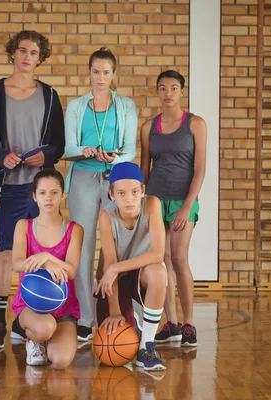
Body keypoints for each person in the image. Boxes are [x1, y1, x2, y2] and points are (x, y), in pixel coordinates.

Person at [0, 30, 65, 349]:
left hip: (41, 190)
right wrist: (1, 155)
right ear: (12, 53)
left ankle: (33, 318)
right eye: (22, 50)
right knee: (5, 253)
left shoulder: (51, 95)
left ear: (40, 59)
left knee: (42, 254)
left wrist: (49, 156)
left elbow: (59, 142)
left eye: (34, 52)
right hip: (10, 187)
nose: (27, 56)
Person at [64, 47, 138, 341]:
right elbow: (68, 147)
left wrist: (114, 159)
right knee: (83, 246)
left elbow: (130, 149)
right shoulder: (76, 106)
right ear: (89, 73)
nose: (101, 77)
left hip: (113, 179)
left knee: (114, 246)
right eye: (96, 71)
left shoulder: (126, 106)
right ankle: (84, 317)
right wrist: (83, 150)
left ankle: (113, 310)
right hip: (82, 176)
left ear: (113, 75)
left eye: (106, 72)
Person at [140, 70, 207, 347]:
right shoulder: (147, 127)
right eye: (163, 88)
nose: (168, 93)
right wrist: (139, 201)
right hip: (155, 199)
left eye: (173, 88)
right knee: (161, 259)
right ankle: (172, 322)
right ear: (158, 92)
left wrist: (186, 207)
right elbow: (145, 167)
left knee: (179, 259)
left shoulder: (196, 124)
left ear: (181, 91)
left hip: (182, 200)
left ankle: (189, 323)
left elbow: (200, 170)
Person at [95, 162, 167, 371]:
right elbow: (109, 265)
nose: (129, 198)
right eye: (121, 193)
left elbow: (157, 253)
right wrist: (115, 311)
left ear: (143, 191)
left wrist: (115, 268)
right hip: (114, 283)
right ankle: (132, 320)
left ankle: (147, 348)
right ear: (111, 194)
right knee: (117, 345)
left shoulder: (153, 204)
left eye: (135, 192)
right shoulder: (106, 216)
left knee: (158, 271)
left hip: (141, 274)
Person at [10, 169, 84, 368]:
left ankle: (47, 337)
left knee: (60, 361)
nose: (48, 198)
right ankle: (34, 338)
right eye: (42, 193)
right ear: (34, 196)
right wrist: (45, 263)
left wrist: (48, 255)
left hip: (63, 305)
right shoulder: (23, 226)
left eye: (54, 192)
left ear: (63, 195)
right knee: (44, 328)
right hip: (30, 304)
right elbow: (16, 263)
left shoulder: (74, 230)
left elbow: (71, 271)